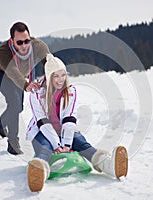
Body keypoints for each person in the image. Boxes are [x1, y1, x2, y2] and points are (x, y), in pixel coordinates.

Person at [26, 54, 128, 192]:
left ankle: (108, 165)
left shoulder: (71, 91)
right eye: (56, 76)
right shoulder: (37, 93)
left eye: (63, 75)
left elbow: (69, 119)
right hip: (41, 130)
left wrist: (66, 144)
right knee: (45, 147)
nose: (61, 79)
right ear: (49, 77)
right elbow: (42, 122)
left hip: (64, 129)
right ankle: (39, 172)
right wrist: (56, 145)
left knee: (81, 143)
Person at [0, 22, 50, 155]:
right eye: (19, 42)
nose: (24, 45)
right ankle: (13, 143)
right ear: (12, 41)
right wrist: (26, 85)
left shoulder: (38, 46)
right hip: (0, 72)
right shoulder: (3, 52)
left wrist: (54, 79)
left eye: (26, 41)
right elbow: (12, 71)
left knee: (19, 107)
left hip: (20, 75)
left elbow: (49, 63)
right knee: (14, 104)